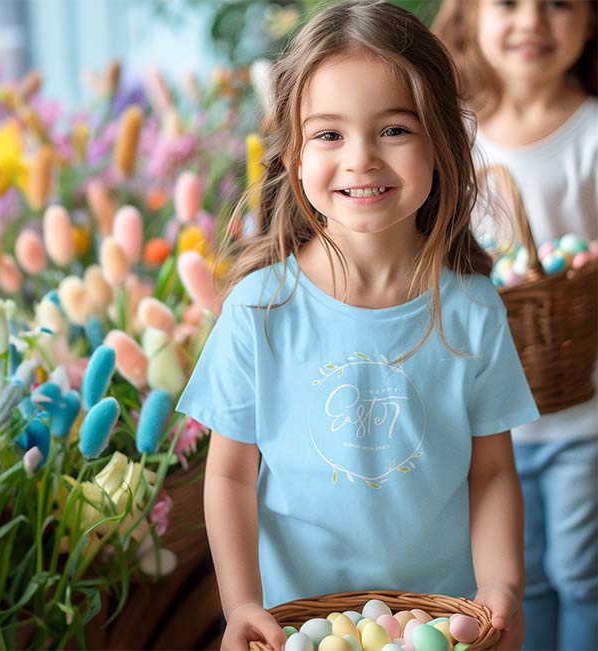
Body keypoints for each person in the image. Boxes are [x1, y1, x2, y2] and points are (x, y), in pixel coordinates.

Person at [175, 2, 540, 650]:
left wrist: (502, 587)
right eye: (329, 134)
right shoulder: (259, 309)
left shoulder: (471, 310)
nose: (362, 159)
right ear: (291, 153)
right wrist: (241, 603)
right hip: (299, 628)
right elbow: (229, 473)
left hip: (440, 623)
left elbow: (491, 472)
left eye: (394, 130)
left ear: (440, 141)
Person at [434, 1, 598, 649]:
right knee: (513, 580)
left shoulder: (589, 132)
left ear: (589, 22)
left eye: (558, 3)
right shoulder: (457, 136)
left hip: (581, 412)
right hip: (491, 421)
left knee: (583, 573)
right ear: (469, 16)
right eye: (507, 3)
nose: (532, 20)